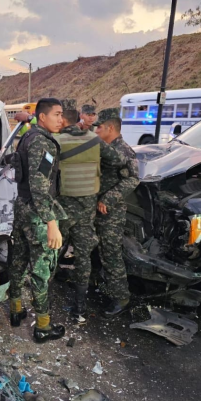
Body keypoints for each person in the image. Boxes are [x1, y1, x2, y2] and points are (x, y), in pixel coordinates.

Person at [55, 108, 125, 324]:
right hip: (87, 210)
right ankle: (80, 309)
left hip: (69, 208)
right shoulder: (96, 142)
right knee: (84, 257)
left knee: (55, 251)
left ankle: (45, 304)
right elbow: (118, 161)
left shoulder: (56, 140)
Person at [9, 97, 67, 343]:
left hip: (22, 208)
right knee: (42, 269)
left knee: (19, 261)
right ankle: (43, 327)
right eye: (56, 114)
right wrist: (51, 223)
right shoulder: (42, 143)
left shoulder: (27, 137)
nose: (61, 120)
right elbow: (41, 187)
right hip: (36, 213)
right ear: (42, 116)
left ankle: (16, 309)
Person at [94, 108, 139, 318]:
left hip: (111, 211)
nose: (96, 131)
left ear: (110, 128)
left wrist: (108, 198)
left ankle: (121, 297)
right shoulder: (105, 147)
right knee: (100, 250)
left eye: (99, 127)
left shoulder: (124, 151)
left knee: (111, 253)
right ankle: (103, 284)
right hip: (96, 207)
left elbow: (132, 179)